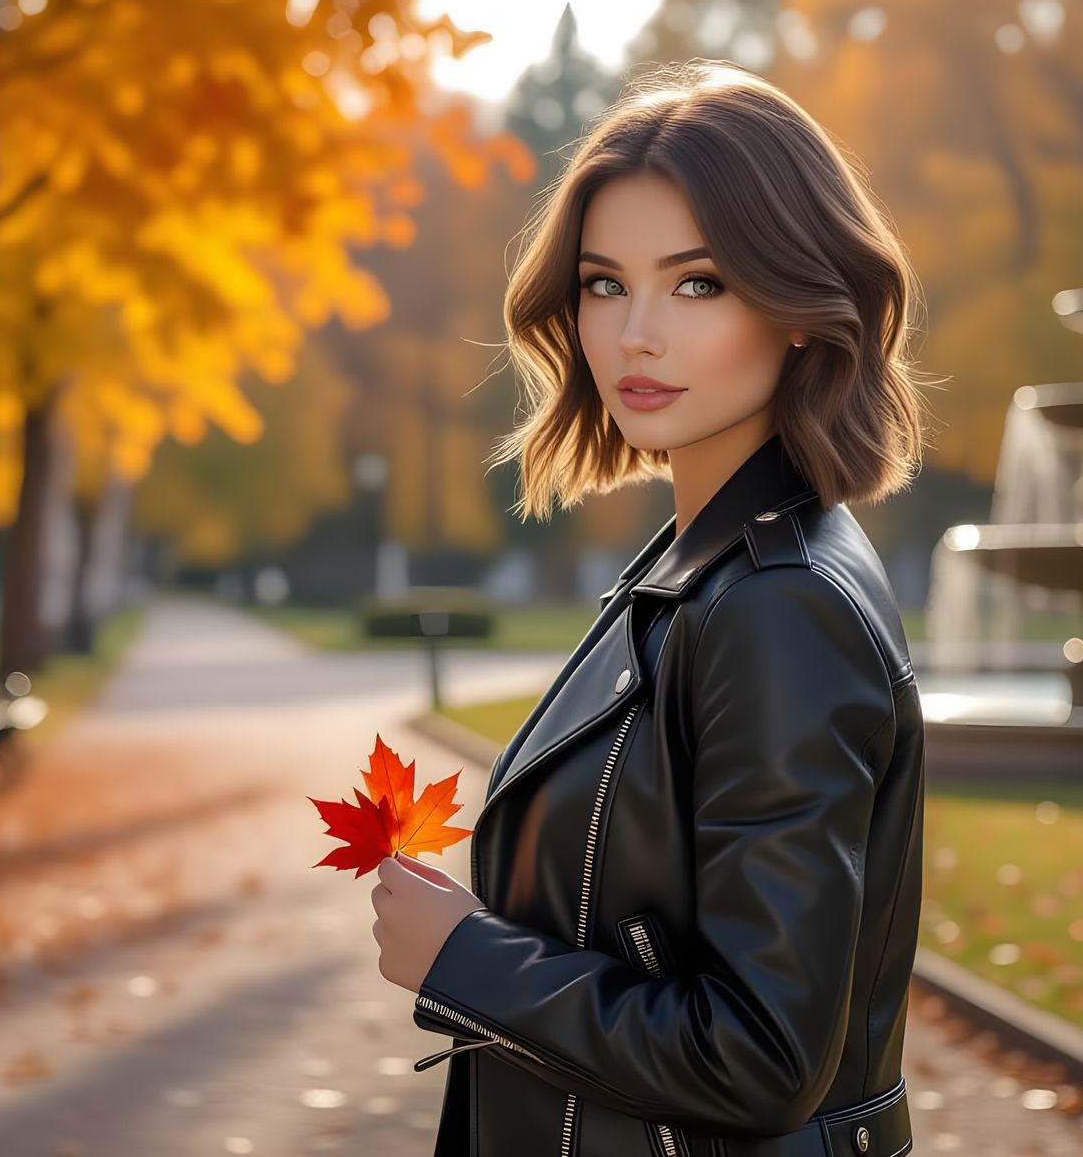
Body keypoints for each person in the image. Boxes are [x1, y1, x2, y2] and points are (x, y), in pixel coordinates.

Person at [368, 60, 935, 1157]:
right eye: (601, 283)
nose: (634, 333)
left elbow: (762, 1053)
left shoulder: (781, 605)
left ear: (799, 303)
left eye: (697, 283)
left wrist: (464, 957)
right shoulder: (697, 563)